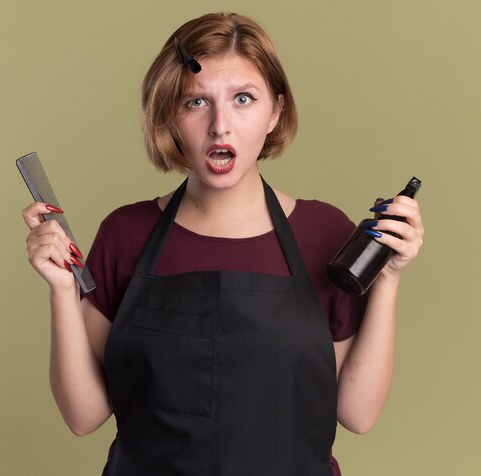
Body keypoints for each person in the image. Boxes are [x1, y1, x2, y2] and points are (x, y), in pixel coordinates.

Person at [21, 12, 424, 476]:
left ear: (275, 111)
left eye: (243, 99)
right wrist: (60, 291)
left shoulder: (325, 232)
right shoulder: (126, 233)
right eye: (196, 102)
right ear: (170, 115)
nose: (220, 125)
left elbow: (358, 414)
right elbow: (83, 416)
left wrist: (389, 277)